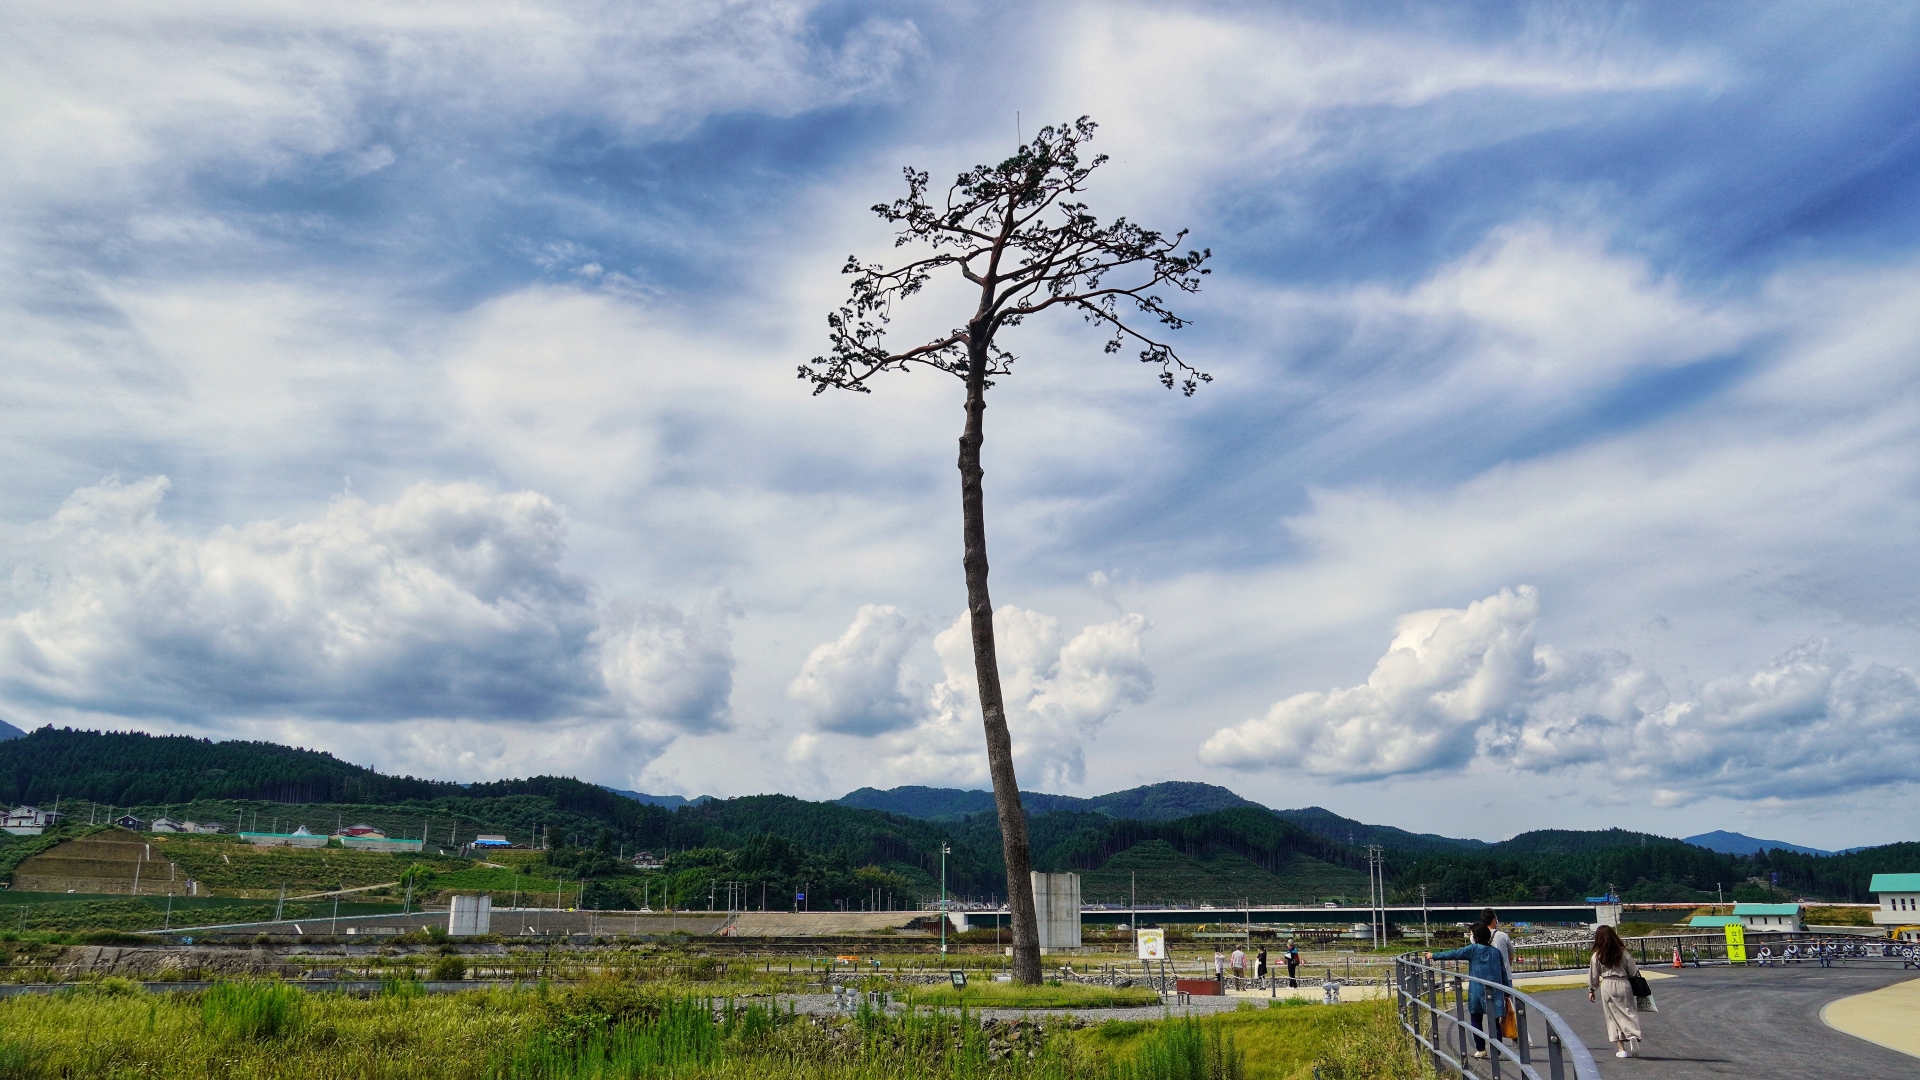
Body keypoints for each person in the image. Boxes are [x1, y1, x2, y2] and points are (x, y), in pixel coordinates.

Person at [1430, 923, 1511, 1059]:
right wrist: (1506, 991)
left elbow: (1454, 953)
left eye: (1471, 934)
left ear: (1477, 936)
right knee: (1495, 1021)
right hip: (1496, 990)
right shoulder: (1496, 952)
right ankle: (1496, 1050)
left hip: (1477, 990)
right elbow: (1503, 972)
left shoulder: (1473, 949)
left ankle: (1481, 1049)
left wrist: (1434, 955)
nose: (1470, 936)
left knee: (1475, 1018)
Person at [1588, 924, 1643, 1059]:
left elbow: (1593, 975)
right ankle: (1633, 1035)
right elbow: (1633, 971)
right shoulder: (1622, 952)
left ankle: (1621, 1049)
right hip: (1624, 983)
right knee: (1628, 1011)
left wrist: (1592, 989)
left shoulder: (1597, 956)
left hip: (1607, 984)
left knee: (1612, 1016)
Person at [1481, 908, 1514, 975]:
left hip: (1487, 976)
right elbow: (1511, 956)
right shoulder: (1503, 935)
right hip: (1504, 975)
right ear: (1493, 921)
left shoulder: (1479, 937)